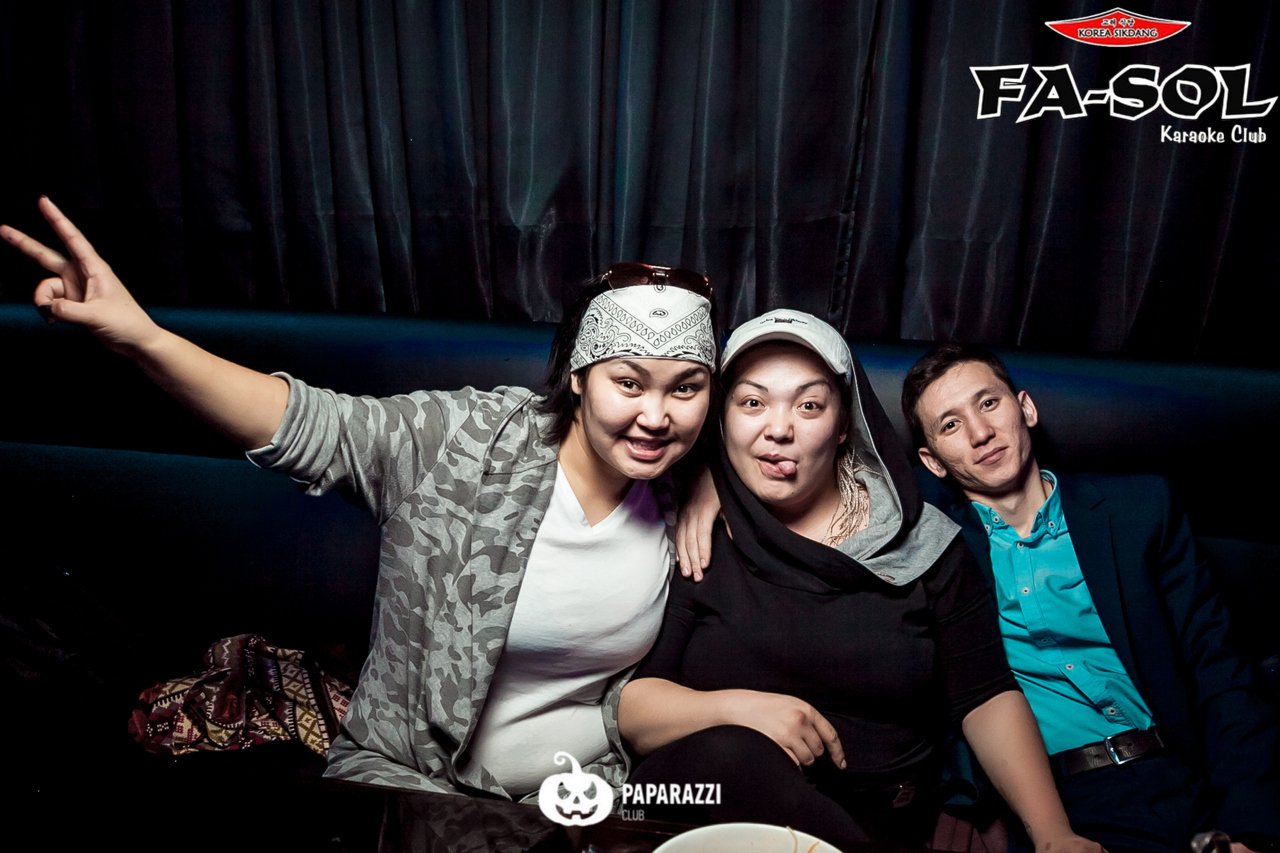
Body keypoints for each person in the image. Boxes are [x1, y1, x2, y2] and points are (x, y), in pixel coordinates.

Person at [1, 197, 717, 801]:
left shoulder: (683, 482)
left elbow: (782, 433)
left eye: (685, 387)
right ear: (580, 377)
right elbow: (304, 422)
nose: (657, 416)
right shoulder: (465, 441)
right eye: (629, 382)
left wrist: (713, 482)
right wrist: (143, 339)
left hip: (586, 798)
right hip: (416, 792)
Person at [618, 310, 1100, 851]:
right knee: (733, 753)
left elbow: (985, 696)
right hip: (699, 813)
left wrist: (1053, 833)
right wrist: (740, 710)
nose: (778, 429)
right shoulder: (696, 528)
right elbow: (634, 709)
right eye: (752, 403)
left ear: (845, 423)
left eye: (809, 405)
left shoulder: (924, 541)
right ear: (722, 420)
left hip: (882, 821)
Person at [900, 342, 1280, 853]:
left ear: (1025, 408)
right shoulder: (939, 556)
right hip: (1059, 804)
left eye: (988, 403)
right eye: (950, 425)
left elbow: (1219, 670)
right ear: (933, 462)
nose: (980, 432)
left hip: (1186, 776)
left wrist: (1250, 827)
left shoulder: (1138, 512)